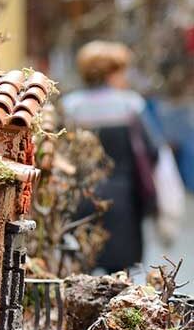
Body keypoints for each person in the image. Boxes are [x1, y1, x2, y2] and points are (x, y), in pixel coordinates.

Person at [62, 40, 164, 274]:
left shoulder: (71, 107)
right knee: (121, 279)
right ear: (111, 73)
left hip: (83, 200)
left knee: (82, 272)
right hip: (124, 202)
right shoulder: (130, 105)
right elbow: (152, 151)